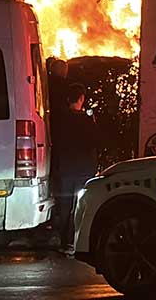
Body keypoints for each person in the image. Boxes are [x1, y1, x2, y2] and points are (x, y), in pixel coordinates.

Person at [52, 83, 97, 255]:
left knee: (64, 205)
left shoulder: (59, 120)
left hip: (64, 168)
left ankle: (64, 241)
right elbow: (95, 142)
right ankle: (75, 241)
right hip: (83, 169)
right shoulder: (86, 120)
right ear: (81, 99)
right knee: (80, 206)